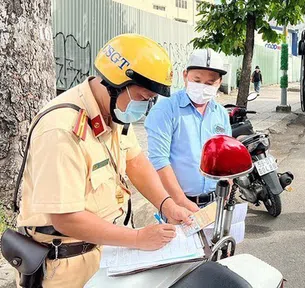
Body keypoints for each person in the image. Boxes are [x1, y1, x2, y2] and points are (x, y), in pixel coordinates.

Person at [12, 34, 193, 287]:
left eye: (151, 100)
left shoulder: (112, 113)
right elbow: (66, 218)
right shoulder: (61, 130)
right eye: (143, 98)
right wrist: (139, 237)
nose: (146, 108)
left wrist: (166, 205)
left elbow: (136, 162)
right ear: (115, 83)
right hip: (65, 266)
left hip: (106, 251)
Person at [144, 48, 232, 212]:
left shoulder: (220, 113)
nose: (202, 87)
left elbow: (226, 155)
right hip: (179, 205)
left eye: (209, 83)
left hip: (216, 202)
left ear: (219, 82)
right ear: (185, 76)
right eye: (197, 80)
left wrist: (228, 185)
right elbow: (159, 160)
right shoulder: (165, 110)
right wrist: (181, 201)